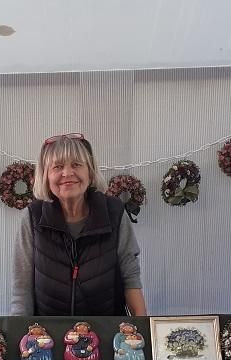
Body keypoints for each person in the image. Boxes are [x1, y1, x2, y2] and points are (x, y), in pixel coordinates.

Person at [10, 133, 146, 316]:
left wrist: (143, 332)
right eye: (57, 166)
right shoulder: (33, 217)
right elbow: (22, 289)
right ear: (46, 176)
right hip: (47, 338)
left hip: (107, 335)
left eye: (76, 164)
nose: (67, 173)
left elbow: (131, 279)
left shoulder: (115, 213)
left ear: (89, 172)